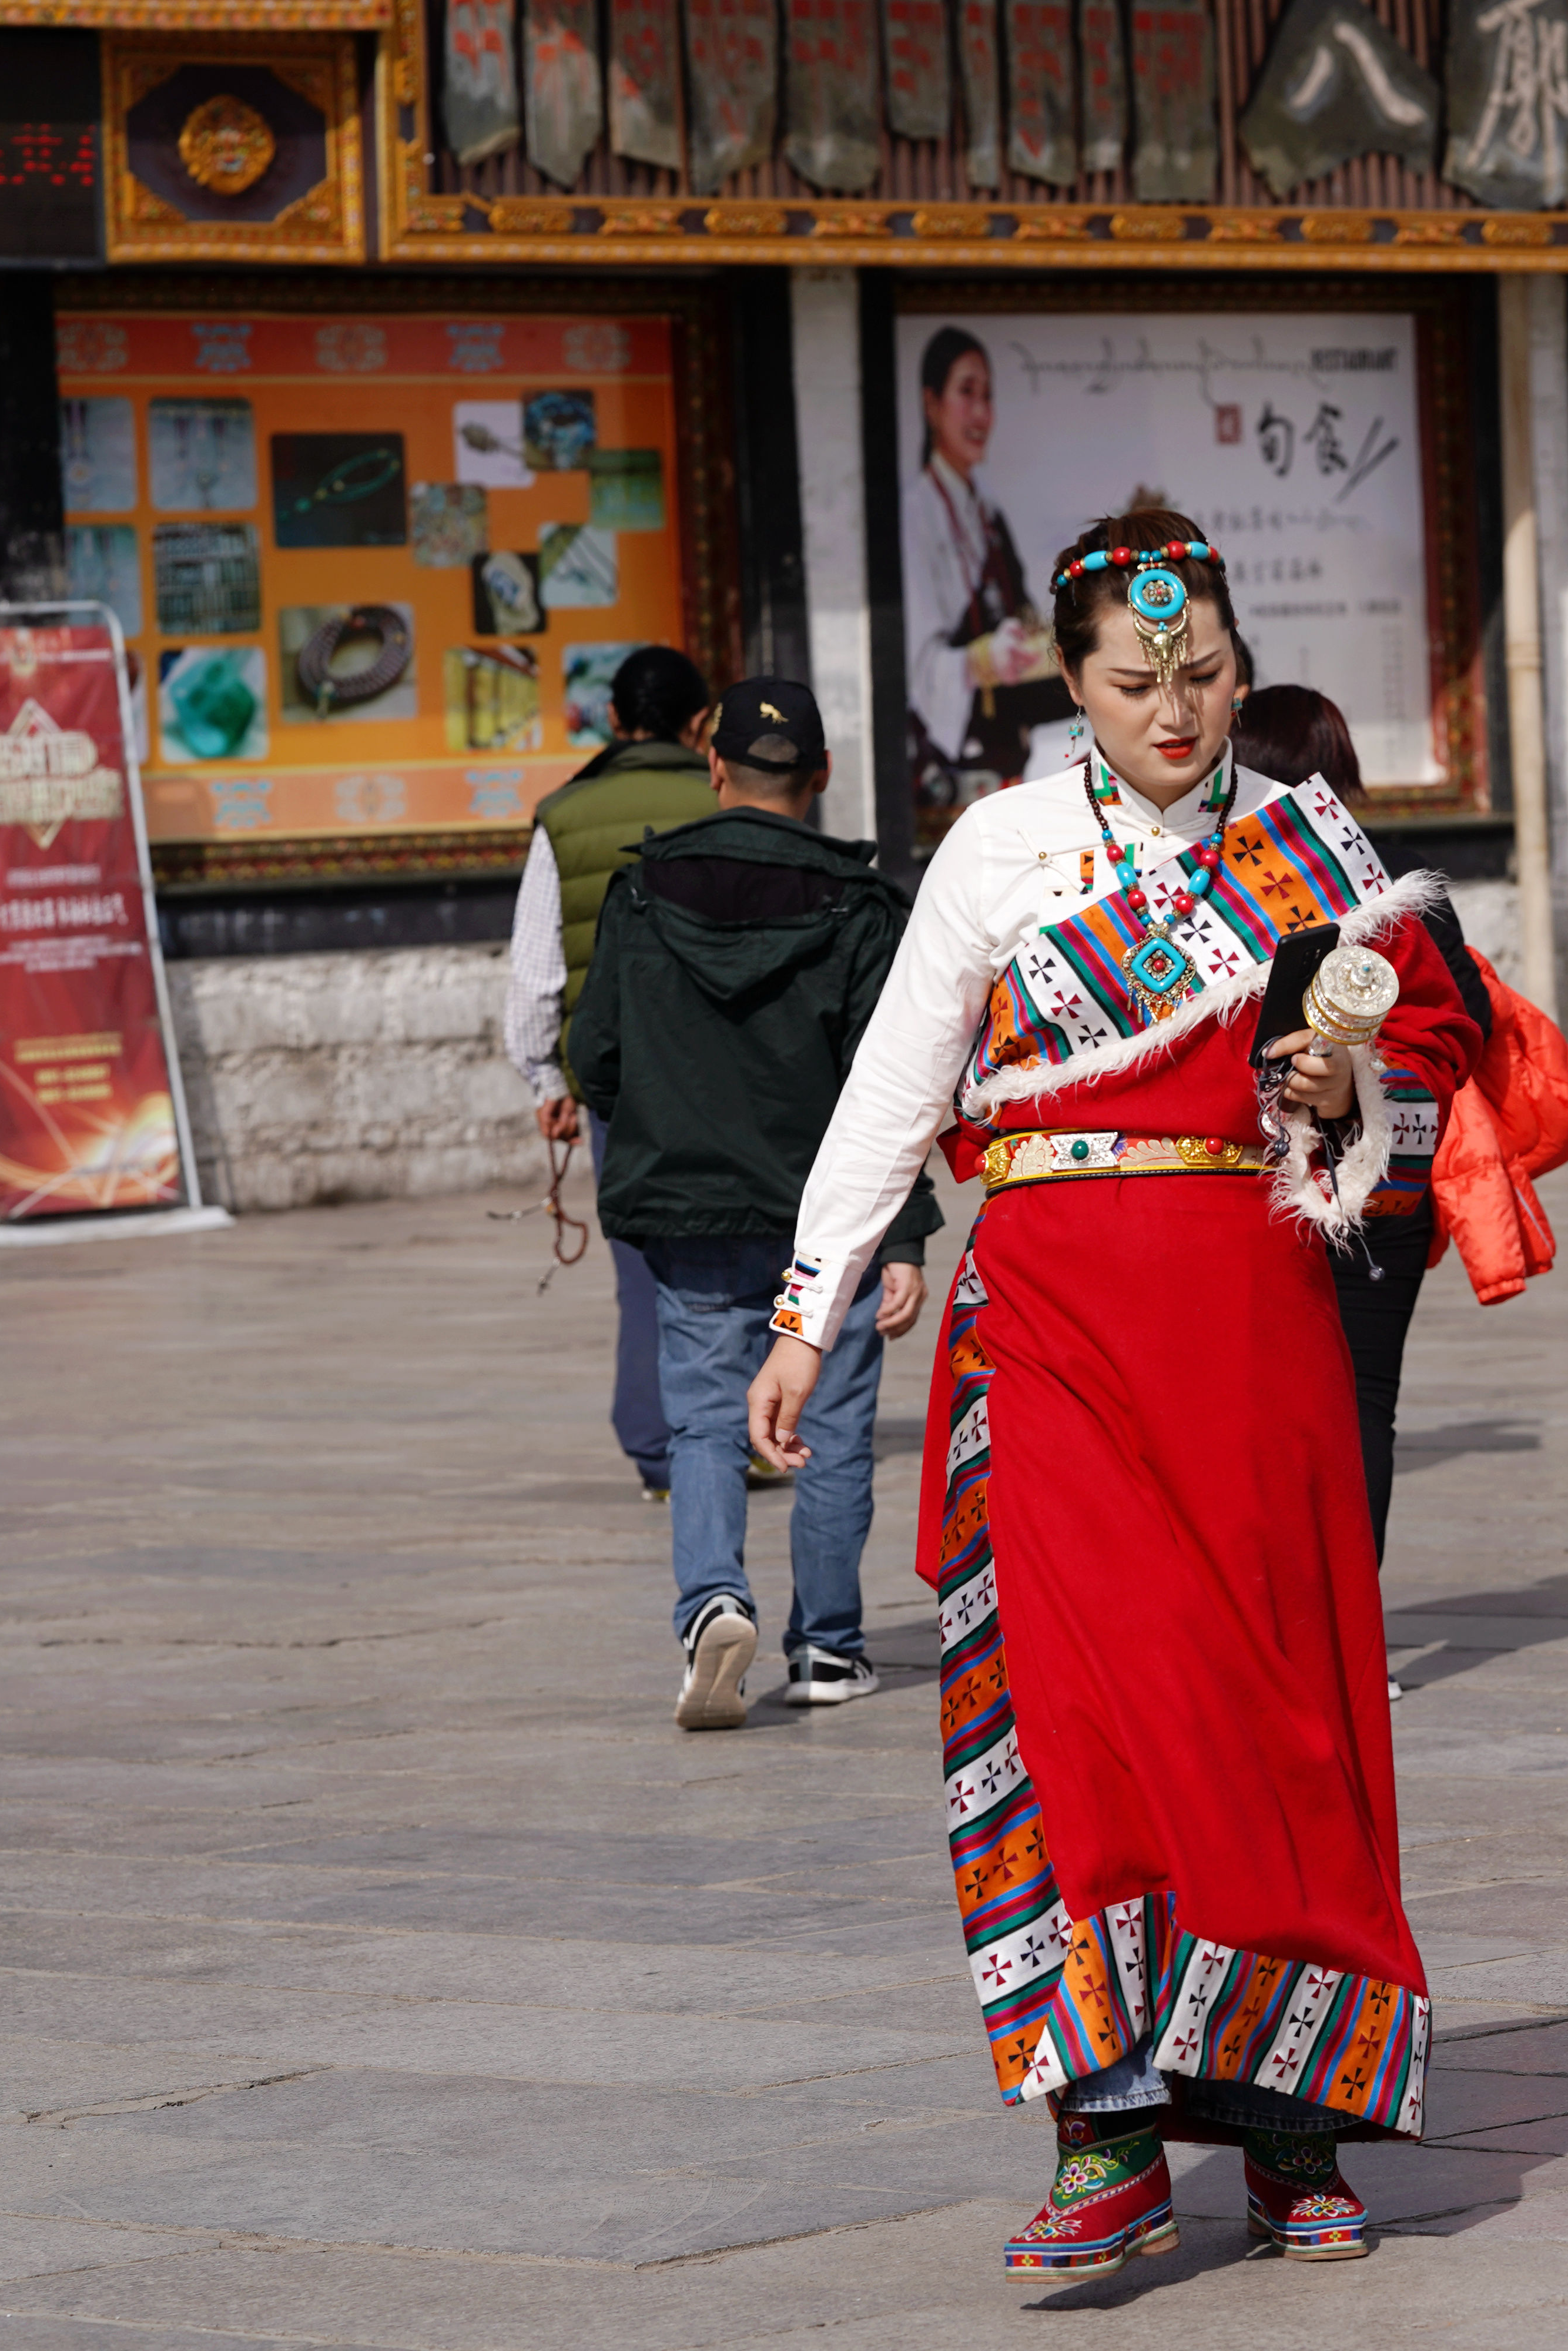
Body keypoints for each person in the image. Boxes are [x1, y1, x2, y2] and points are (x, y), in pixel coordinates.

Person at [750, 511, 1479, 2279]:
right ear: (1068, 684)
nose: (1177, 707)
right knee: (1079, 1728)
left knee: (1273, 1717)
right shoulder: (998, 848)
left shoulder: (1308, 844)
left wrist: (1334, 1079)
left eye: (1207, 674)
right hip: (1057, 1338)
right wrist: (805, 1304)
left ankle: (1290, 2129)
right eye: (1137, 679)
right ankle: (1107, 2130)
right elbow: (895, 1080)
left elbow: (1407, 1080)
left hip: (1254, 1334)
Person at [567, 679, 936, 1726]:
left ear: (714, 769)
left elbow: (596, 1054)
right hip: (831, 1218)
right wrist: (902, 1231)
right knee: (827, 1426)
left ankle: (710, 1602)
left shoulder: (642, 896)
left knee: (702, 1421)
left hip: (687, 1212)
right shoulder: (862, 907)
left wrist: (656, 1122)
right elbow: (895, 1080)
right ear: (818, 779)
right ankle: (828, 1646)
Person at [1225, 684, 1496, 1593]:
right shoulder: (1399, 873)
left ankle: (1300, 1621)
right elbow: (1473, 1020)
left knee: (1277, 1410)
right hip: (1386, 1186)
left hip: (1289, 1183)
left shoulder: (1235, 882)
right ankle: (1349, 1628)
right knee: (1362, 1407)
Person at [503, 647, 725, 1499]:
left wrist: (546, 1082)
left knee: (644, 1265)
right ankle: (740, 1432)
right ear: (698, 723)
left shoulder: (565, 813)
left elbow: (535, 969)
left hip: (622, 1080)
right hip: (732, 1070)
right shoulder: (727, 796)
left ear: (616, 721)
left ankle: (659, 1446)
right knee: (744, 1252)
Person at [902, 324, 1073, 821]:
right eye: (966, 393)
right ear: (931, 404)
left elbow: (1017, 604)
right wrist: (981, 661)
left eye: (988, 396)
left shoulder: (987, 512)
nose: (980, 413)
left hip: (1009, 736)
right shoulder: (916, 512)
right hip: (958, 752)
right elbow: (919, 666)